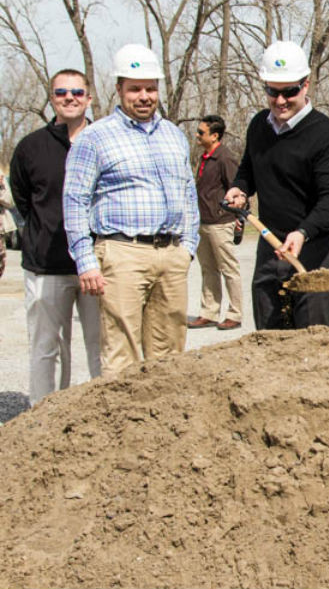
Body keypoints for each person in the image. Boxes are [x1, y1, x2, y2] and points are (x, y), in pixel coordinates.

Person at [63, 45, 199, 374]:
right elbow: (74, 200)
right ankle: (122, 426)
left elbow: (188, 193)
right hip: (122, 252)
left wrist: (188, 248)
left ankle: (163, 423)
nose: (144, 96)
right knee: (121, 352)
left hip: (171, 253)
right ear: (119, 90)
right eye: (135, 88)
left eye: (150, 88)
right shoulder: (95, 138)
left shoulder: (174, 135)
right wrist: (85, 260)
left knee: (170, 354)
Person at [224, 41, 329, 329]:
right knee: (269, 336)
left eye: (289, 92)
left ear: (306, 86)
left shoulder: (327, 136)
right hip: (271, 246)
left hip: (316, 248)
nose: (280, 100)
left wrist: (304, 232)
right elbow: (248, 169)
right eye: (273, 91)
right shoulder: (259, 125)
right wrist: (239, 189)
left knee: (313, 338)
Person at [9, 69, 102, 401]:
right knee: (47, 348)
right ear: (52, 99)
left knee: (101, 346)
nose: (70, 98)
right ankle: (42, 414)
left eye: (77, 92)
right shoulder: (31, 147)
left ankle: (103, 413)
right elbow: (21, 199)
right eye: (62, 92)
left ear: (89, 99)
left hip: (97, 264)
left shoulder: (104, 140)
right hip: (46, 265)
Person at [188, 114, 243, 331]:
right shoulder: (204, 157)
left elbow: (238, 190)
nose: (197, 135)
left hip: (221, 222)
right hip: (203, 222)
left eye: (201, 132)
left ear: (215, 135)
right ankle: (209, 312)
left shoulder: (225, 158)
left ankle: (235, 314)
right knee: (208, 269)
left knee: (229, 269)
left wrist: (238, 219)